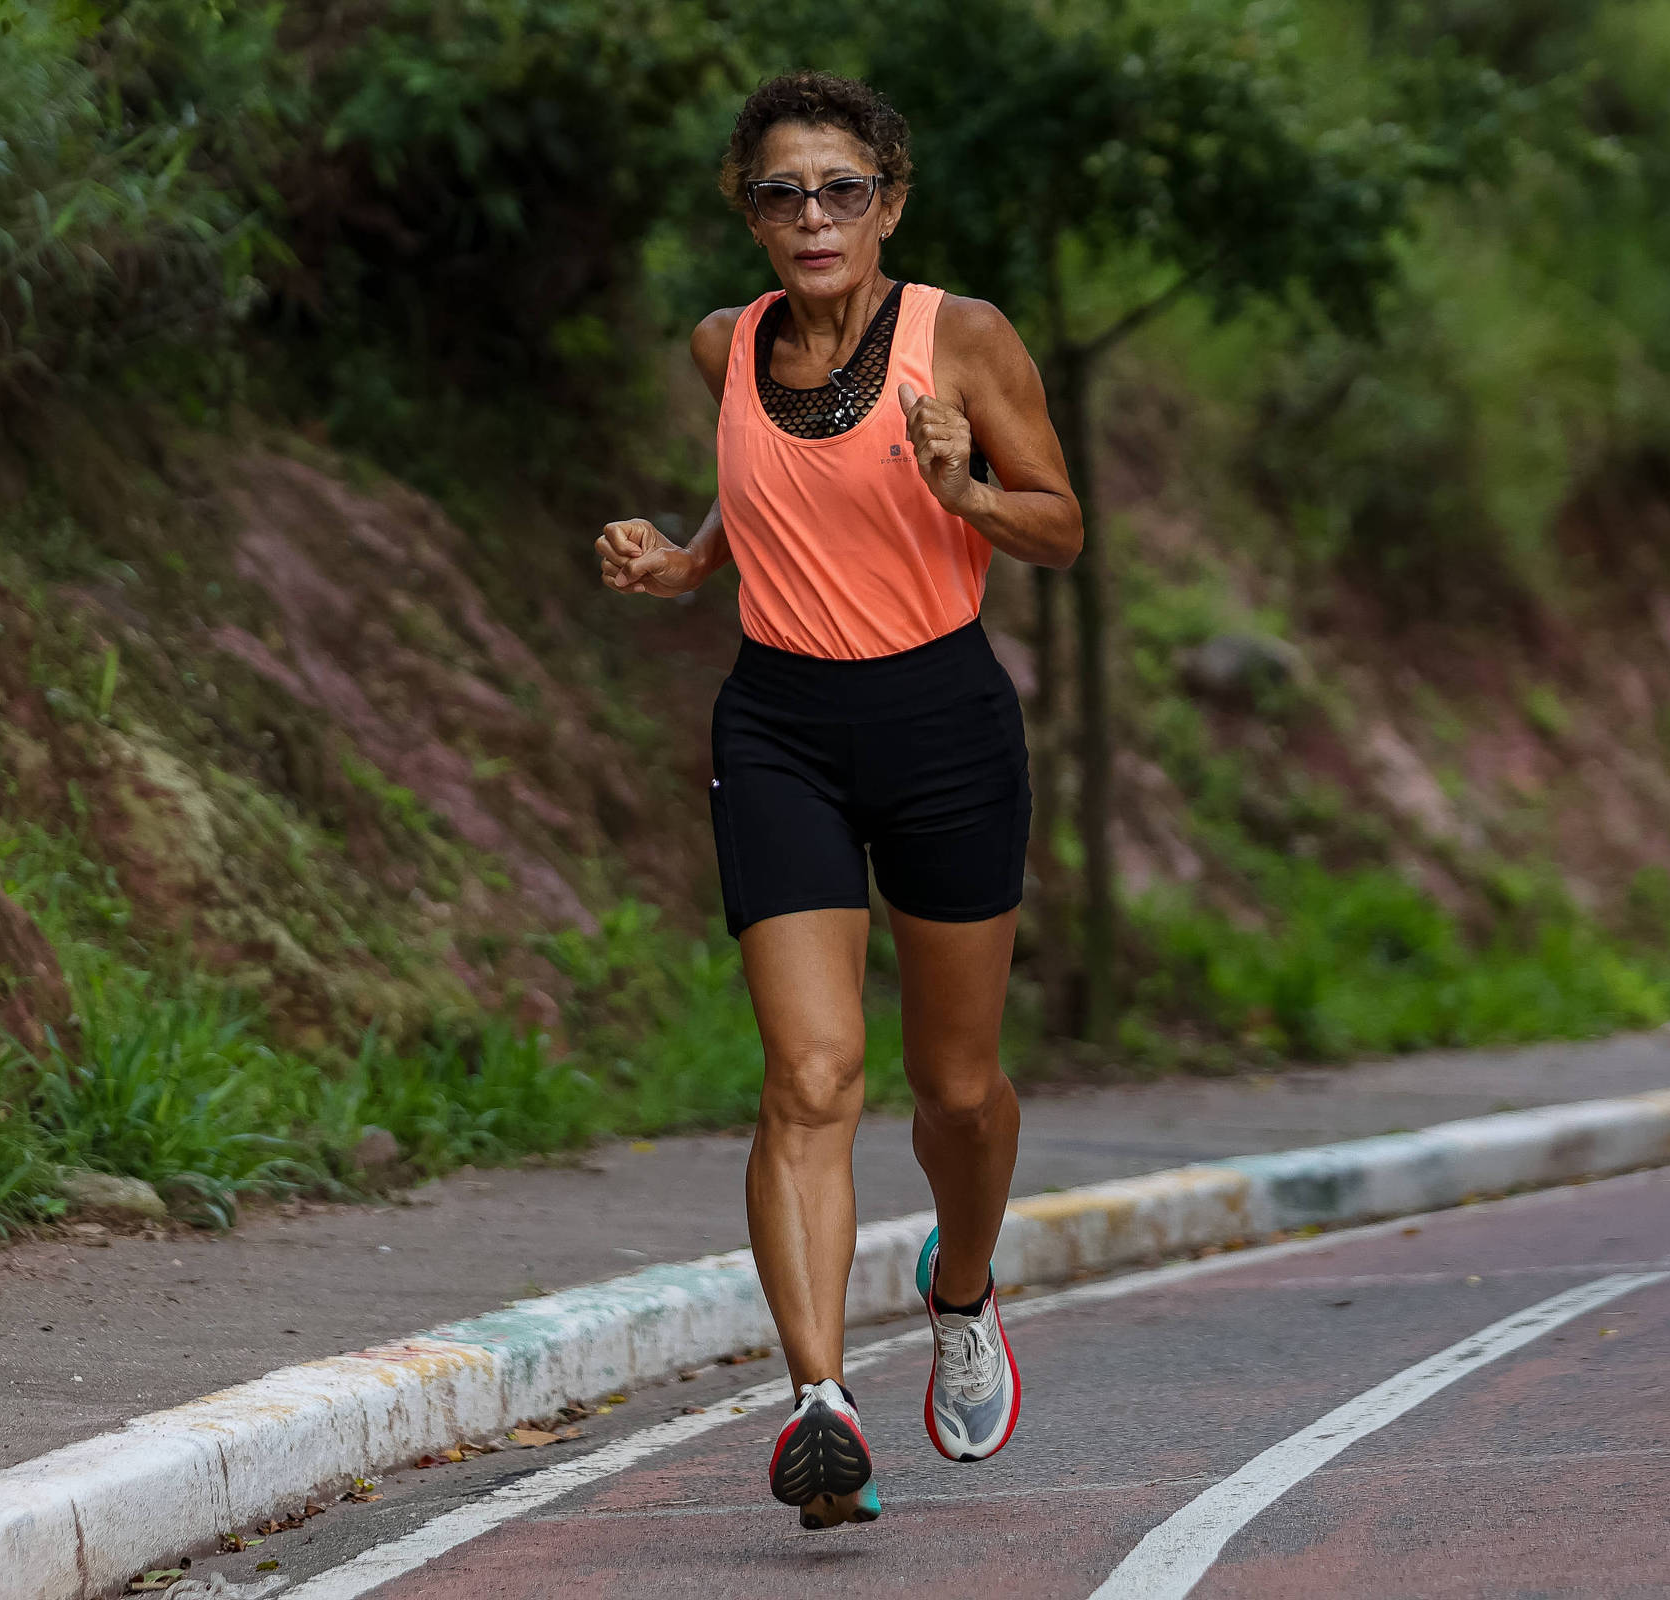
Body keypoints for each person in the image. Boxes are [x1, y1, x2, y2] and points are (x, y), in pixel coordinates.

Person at [595, 71, 1082, 1530]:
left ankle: (962, 1286)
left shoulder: (967, 338)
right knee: (810, 1079)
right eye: (783, 193)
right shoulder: (724, 346)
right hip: (784, 722)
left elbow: (1058, 524)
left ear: (891, 201)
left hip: (942, 720)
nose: (814, 217)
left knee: (955, 1093)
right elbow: (758, 502)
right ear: (749, 213)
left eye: (843, 189)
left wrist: (968, 493)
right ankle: (819, 1405)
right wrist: (685, 566)